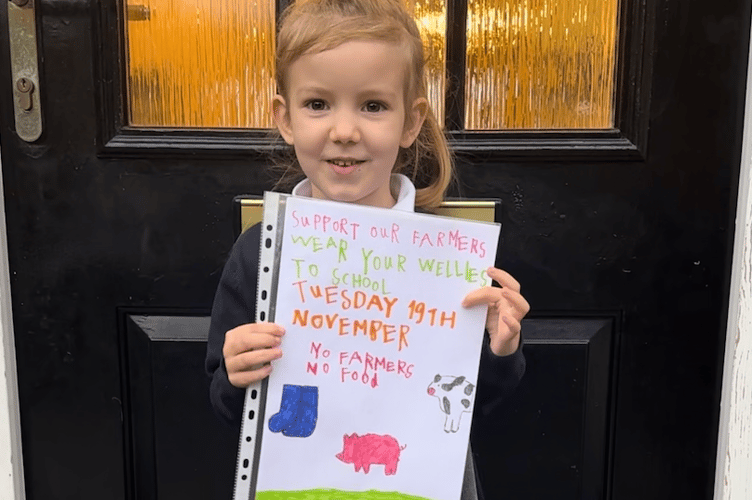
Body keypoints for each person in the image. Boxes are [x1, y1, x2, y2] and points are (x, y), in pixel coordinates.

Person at [205, 0, 530, 497]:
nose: (344, 131)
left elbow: (473, 404)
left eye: (373, 105)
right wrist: (234, 373)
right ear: (285, 118)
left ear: (411, 122)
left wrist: (500, 349)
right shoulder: (260, 254)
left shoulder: (449, 262)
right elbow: (229, 407)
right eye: (317, 104)